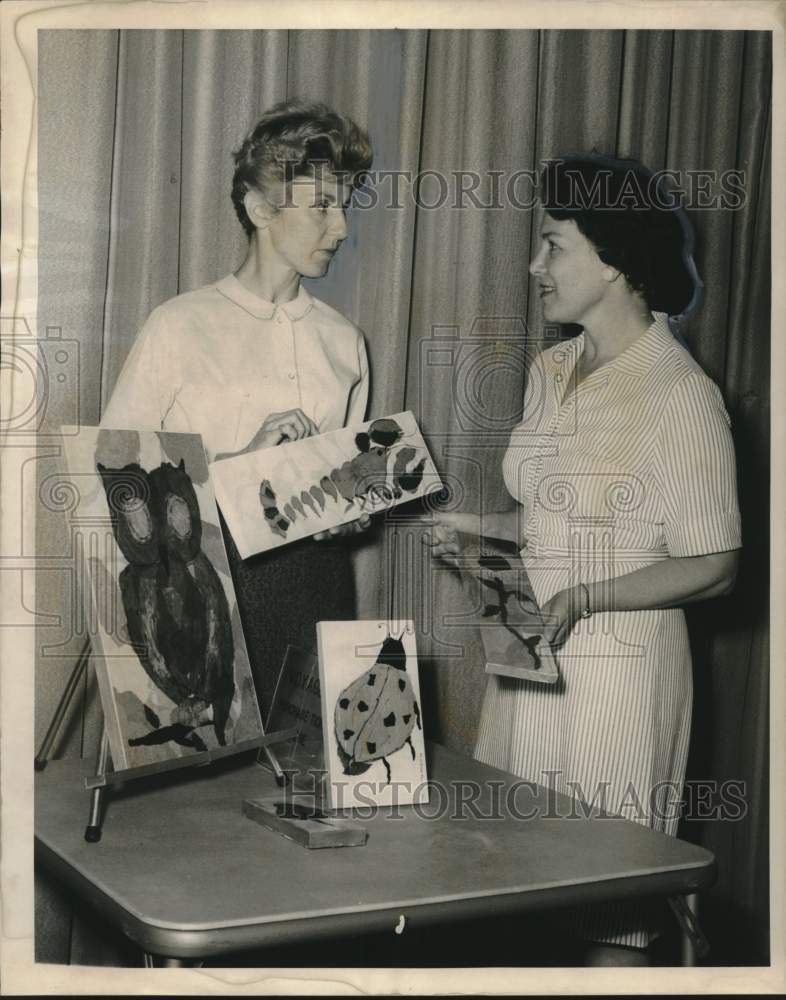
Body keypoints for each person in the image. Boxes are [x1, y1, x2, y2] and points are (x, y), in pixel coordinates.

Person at [423, 154, 741, 965]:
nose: (535, 266)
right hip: (528, 663)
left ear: (613, 260)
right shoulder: (550, 369)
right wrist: (473, 526)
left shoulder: (682, 394)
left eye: (553, 246)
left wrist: (590, 596)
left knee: (611, 913)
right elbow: (547, 517)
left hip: (620, 684)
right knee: (508, 885)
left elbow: (715, 562)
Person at [101, 100, 374, 714]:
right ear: (259, 209)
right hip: (211, 588)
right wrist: (236, 467)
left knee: (317, 785)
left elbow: (348, 487)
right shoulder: (178, 325)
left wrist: (354, 509)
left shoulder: (346, 342)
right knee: (209, 793)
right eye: (323, 207)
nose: (342, 229)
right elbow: (113, 484)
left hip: (319, 588)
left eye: (345, 208)